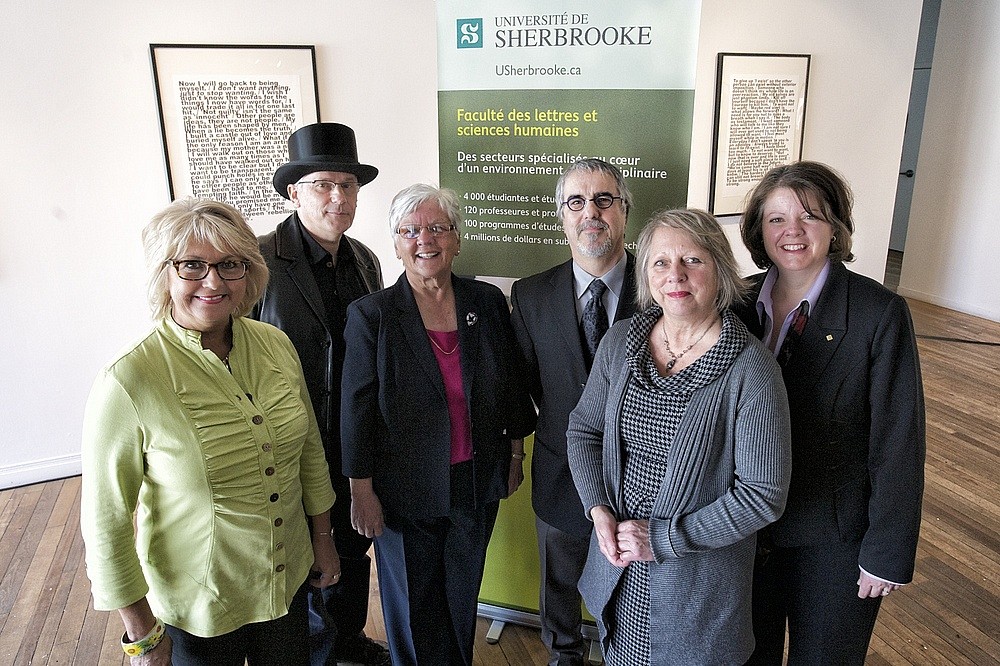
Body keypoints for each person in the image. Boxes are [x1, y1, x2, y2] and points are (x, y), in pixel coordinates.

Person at [81, 198, 338, 666]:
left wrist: (323, 538)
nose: (214, 281)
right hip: (199, 606)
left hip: (286, 581)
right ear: (164, 274)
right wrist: (141, 633)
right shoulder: (128, 379)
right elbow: (106, 523)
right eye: (192, 266)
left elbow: (309, 453)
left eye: (229, 265)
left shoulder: (275, 344)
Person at [567, 208, 792, 665]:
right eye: (661, 263)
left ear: (720, 270)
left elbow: (763, 495)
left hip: (698, 592)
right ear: (646, 274)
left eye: (693, 261)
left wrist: (663, 539)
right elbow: (583, 430)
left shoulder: (752, 370)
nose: (676, 276)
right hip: (620, 572)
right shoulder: (621, 341)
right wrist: (599, 510)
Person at [736, 161, 926, 664]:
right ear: (758, 229)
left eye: (810, 217)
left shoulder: (877, 313)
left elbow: (898, 440)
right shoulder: (735, 302)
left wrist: (886, 553)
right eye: (776, 219)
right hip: (743, 534)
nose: (792, 231)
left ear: (836, 228)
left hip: (834, 544)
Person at [341, 184, 537, 665]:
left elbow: (509, 384)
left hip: (474, 480)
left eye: (435, 228)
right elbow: (356, 407)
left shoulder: (487, 302)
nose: (423, 239)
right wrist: (360, 490)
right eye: (409, 231)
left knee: (460, 593)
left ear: (456, 238)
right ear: (395, 242)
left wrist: (515, 453)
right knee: (412, 602)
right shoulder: (373, 315)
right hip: (402, 491)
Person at [253, 122, 389, 665]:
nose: (338, 197)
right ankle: (317, 653)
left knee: (354, 548)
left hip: (352, 440)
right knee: (306, 555)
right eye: (323, 184)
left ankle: (348, 638)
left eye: (348, 186)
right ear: (294, 191)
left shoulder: (365, 259)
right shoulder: (258, 262)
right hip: (290, 442)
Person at [510, 158, 637, 665]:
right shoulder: (531, 293)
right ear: (561, 215)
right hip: (560, 470)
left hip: (643, 476)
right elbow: (524, 386)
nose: (592, 213)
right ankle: (563, 655)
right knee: (558, 581)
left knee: (632, 586)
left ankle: (625, 653)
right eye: (577, 202)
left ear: (625, 210)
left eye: (604, 200)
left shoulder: (660, 287)